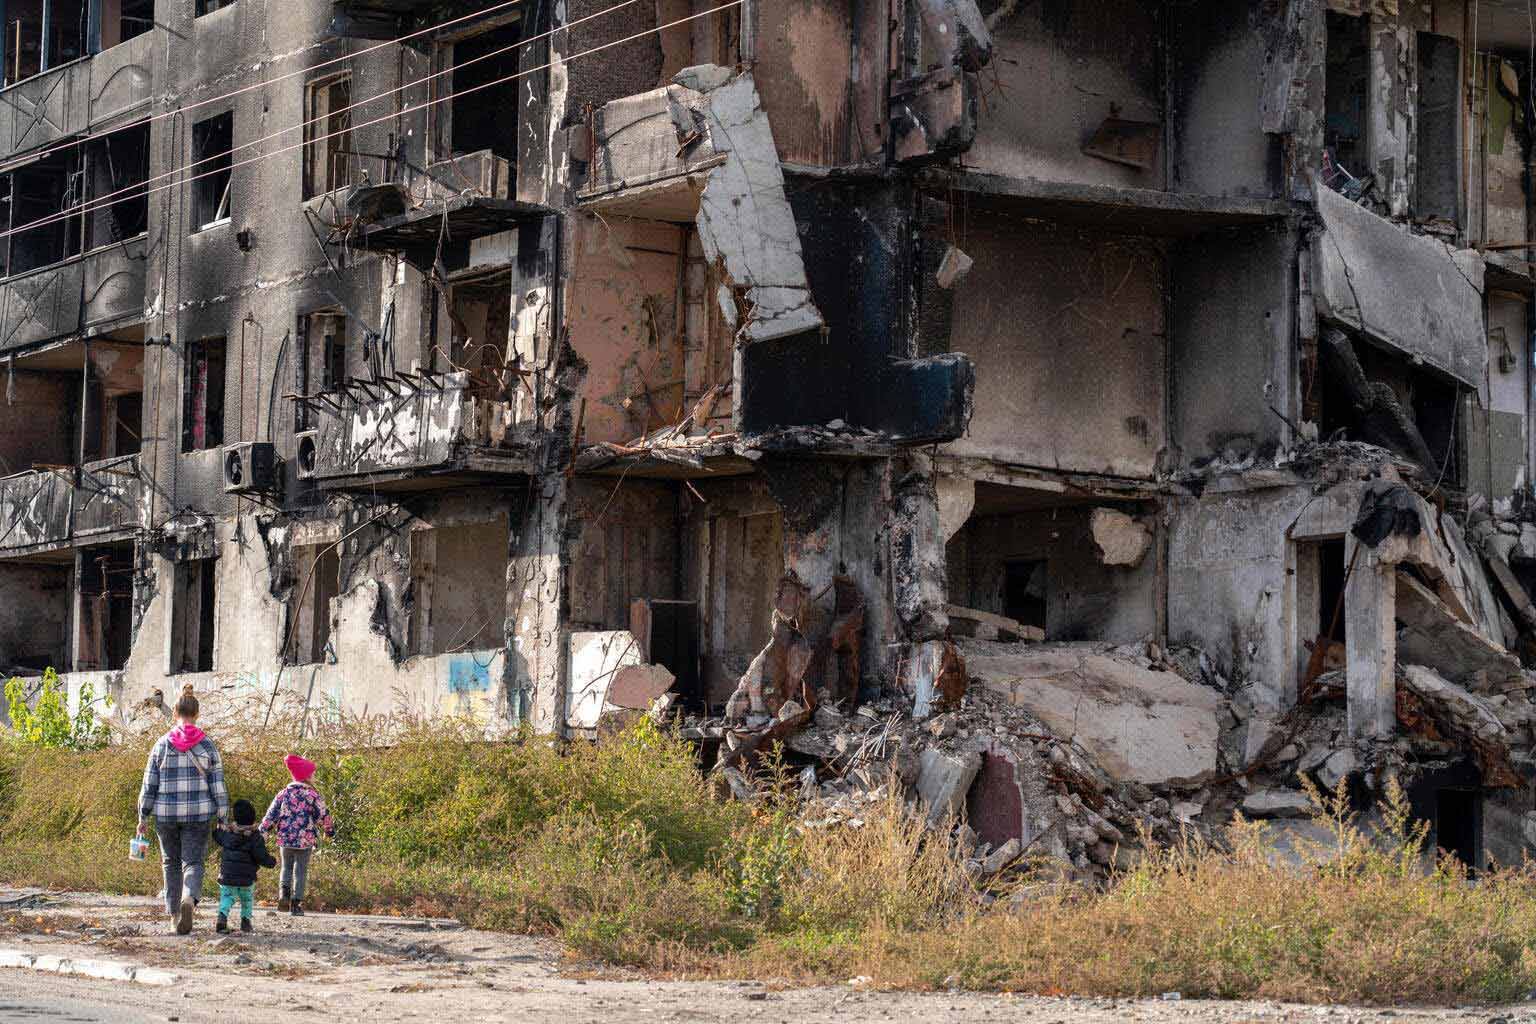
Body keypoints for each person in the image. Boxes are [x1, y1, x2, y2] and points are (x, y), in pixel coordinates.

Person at [136, 685, 229, 935]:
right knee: (193, 861)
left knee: (170, 862)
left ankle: (175, 915)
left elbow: (149, 784)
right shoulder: (207, 745)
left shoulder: (161, 745)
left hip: (165, 815)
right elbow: (218, 785)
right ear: (196, 714)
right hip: (198, 815)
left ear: (175, 713)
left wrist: (143, 815)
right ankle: (189, 897)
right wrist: (223, 816)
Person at [260, 755, 335, 916]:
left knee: (286, 867)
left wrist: (263, 830)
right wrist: (329, 830)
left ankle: (283, 895)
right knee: (300, 871)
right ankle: (296, 905)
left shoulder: (283, 793)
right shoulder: (312, 795)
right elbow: (323, 814)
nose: (313, 776)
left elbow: (271, 813)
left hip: (285, 838)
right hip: (305, 839)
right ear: (306, 776)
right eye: (312, 773)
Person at [213, 799, 277, 934]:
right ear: (253, 818)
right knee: (247, 899)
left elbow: (217, 836)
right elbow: (261, 856)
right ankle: (245, 922)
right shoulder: (255, 837)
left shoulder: (228, 834)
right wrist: (272, 861)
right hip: (247, 878)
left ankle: (222, 918)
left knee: (227, 898)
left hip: (227, 876)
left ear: (235, 817)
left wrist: (218, 827)